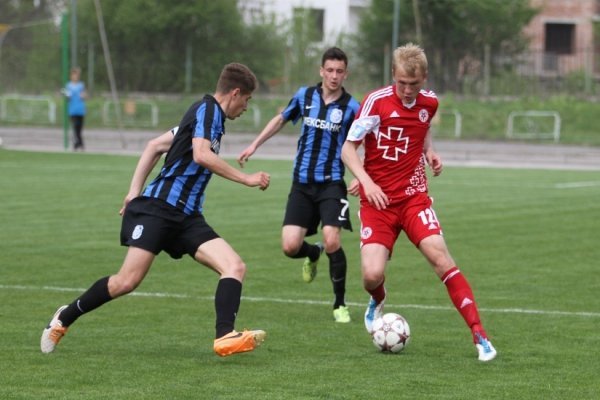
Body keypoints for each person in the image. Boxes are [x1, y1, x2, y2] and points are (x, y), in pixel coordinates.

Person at [41, 63, 271, 357]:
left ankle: (225, 336)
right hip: (159, 209)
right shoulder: (207, 110)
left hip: (187, 216)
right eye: (247, 100)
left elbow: (154, 145)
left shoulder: (207, 119)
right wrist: (246, 179)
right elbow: (201, 155)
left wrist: (132, 192)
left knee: (235, 266)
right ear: (235, 93)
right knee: (127, 281)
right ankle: (64, 317)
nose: (246, 107)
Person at [341, 43, 497, 361]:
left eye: (414, 83)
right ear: (393, 75)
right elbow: (348, 149)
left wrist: (429, 151)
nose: (408, 90)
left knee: (442, 259)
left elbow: (422, 128)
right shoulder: (375, 102)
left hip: (414, 198)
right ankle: (378, 297)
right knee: (371, 275)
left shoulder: (430, 102)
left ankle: (480, 335)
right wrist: (367, 181)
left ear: (424, 78)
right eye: (402, 83)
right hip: (378, 202)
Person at [237, 47, 360, 323]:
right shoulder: (305, 96)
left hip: (331, 184)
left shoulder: (353, 107)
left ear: (346, 74)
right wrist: (254, 145)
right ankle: (312, 252)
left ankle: (340, 304)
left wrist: (361, 176)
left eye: (339, 71)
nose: (334, 76)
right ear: (321, 71)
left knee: (332, 239)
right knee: (290, 246)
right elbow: (281, 119)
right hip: (302, 185)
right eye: (330, 70)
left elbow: (368, 141)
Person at [63, 67, 87, 151]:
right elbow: (68, 98)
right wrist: (67, 95)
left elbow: (84, 95)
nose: (75, 77)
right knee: (75, 127)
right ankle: (79, 144)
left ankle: (77, 144)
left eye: (76, 75)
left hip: (80, 109)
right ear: (71, 76)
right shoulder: (68, 85)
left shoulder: (81, 85)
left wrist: (83, 96)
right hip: (72, 110)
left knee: (79, 128)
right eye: (73, 75)